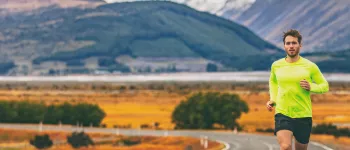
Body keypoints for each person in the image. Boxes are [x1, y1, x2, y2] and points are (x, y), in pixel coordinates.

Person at [266, 29, 329, 150]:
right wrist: (272, 99)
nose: (291, 46)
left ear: (300, 45)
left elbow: (324, 85)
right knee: (285, 146)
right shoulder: (276, 65)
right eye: (288, 43)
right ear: (284, 46)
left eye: (294, 43)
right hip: (283, 112)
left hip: (303, 114)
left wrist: (312, 87)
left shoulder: (310, 66)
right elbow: (273, 81)